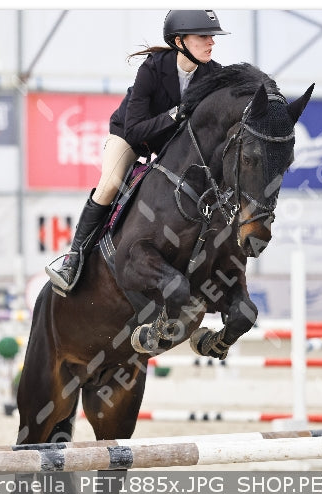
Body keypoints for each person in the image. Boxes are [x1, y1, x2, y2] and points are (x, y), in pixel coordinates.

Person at [46, 9, 230, 296]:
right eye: (203, 36)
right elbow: (134, 130)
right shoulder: (153, 68)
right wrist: (176, 114)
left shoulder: (214, 76)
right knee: (109, 184)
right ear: (180, 42)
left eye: (212, 36)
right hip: (131, 139)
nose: (211, 42)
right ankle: (73, 258)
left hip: (170, 147)